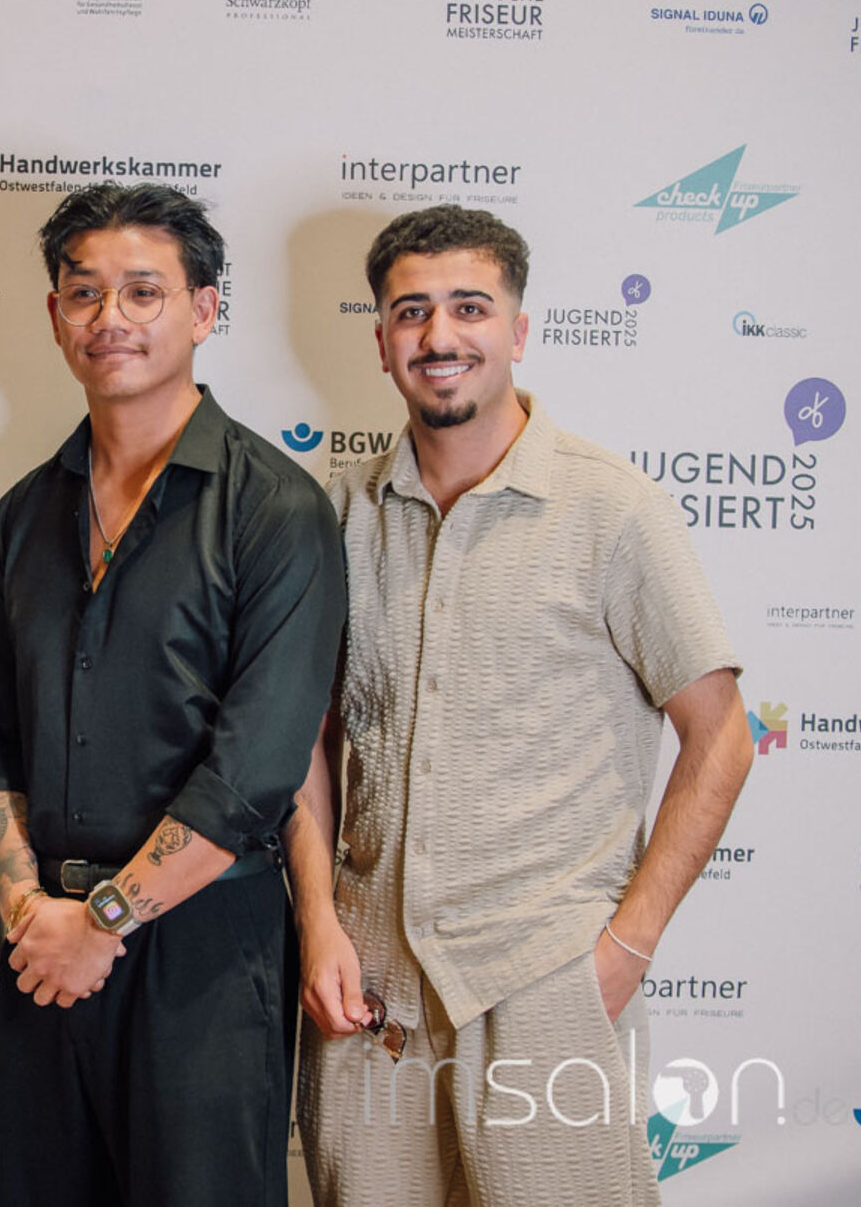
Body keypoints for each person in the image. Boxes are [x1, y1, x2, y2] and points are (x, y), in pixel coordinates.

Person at [288, 205, 754, 1205]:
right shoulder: (337, 513)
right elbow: (305, 743)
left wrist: (625, 948)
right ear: (381, 339)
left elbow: (720, 735)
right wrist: (318, 921)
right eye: (411, 311)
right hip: (369, 995)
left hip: (546, 980)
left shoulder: (614, 509)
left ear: (519, 329)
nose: (440, 335)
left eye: (470, 307)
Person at [0, 183, 345, 1207]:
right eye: (84, 293)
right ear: (54, 315)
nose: (110, 318)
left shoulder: (275, 508)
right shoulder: (20, 516)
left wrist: (105, 918)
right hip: (44, 946)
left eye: (143, 291)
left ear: (204, 310)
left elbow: (257, 767)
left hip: (204, 953)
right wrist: (30, 909)